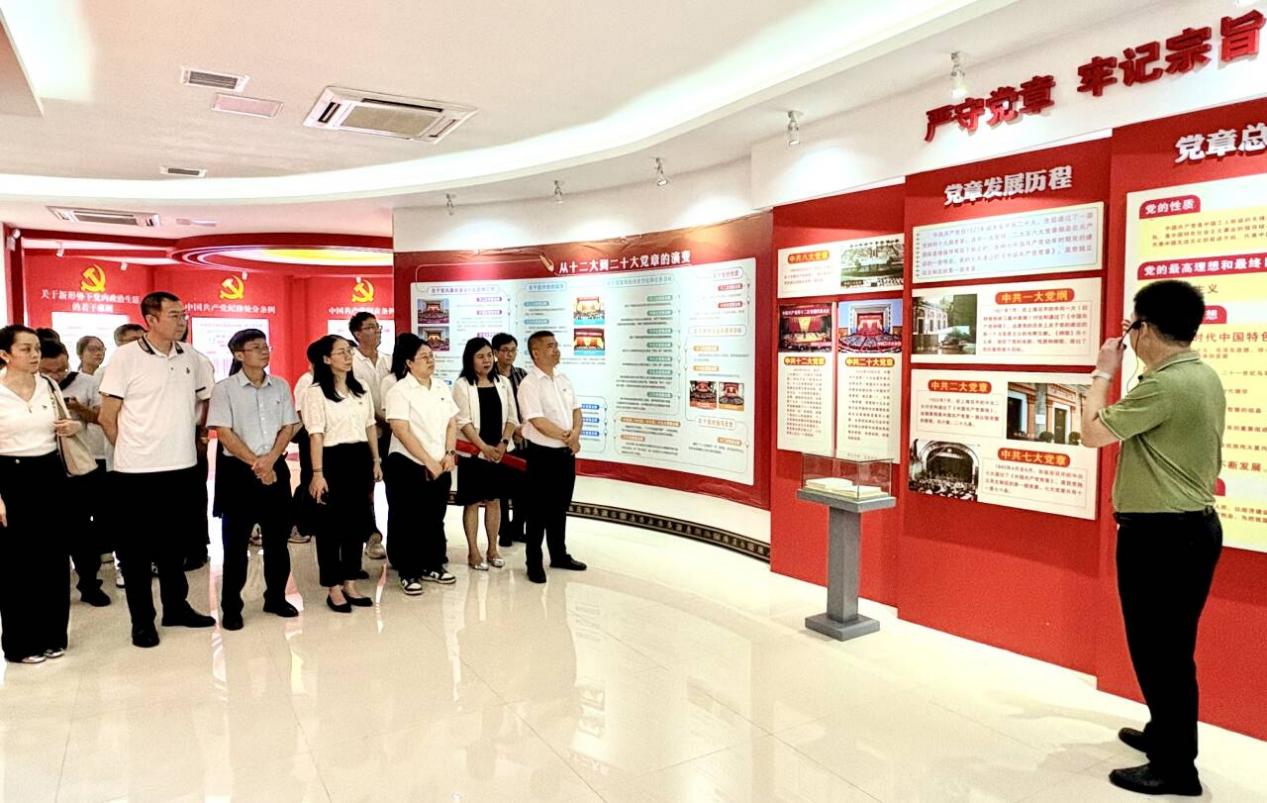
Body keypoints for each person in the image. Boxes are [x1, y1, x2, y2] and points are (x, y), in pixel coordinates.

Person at [1080, 280, 1224, 797]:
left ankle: (1176, 768)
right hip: (1186, 532)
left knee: (1161, 652)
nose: (1128, 336)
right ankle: (1165, 734)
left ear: (1146, 329)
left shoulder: (1164, 386)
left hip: (1163, 537)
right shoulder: (1199, 375)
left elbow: (1091, 432)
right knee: (1169, 647)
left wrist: (1102, 372)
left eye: (1131, 326)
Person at [99, 292, 217, 648]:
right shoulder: (126, 357)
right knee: (135, 552)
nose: (182, 321)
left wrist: (196, 438)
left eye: (183, 314)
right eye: (174, 315)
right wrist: (133, 451)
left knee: (174, 548)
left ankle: (176, 607)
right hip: (135, 474)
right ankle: (142, 621)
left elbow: (204, 401)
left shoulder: (191, 356)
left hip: (181, 468)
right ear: (151, 320)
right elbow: (107, 416)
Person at [207, 329, 300, 630]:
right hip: (238, 473)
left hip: (275, 468)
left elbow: (288, 427)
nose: (264, 351)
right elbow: (224, 433)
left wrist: (271, 459)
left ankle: (276, 598)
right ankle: (231, 606)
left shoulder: (280, 386)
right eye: (256, 347)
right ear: (239, 354)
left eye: (265, 346)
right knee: (235, 546)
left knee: (277, 541)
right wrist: (257, 464)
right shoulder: (224, 389)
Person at [0, 325, 81, 664]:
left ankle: (53, 636)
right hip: (10, 475)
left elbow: (67, 423)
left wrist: (72, 426)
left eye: (36, 348)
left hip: (49, 472)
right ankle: (21, 643)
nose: (34, 355)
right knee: (17, 564)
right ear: (5, 354)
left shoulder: (48, 384)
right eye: (25, 349)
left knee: (53, 558)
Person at [301, 335, 381, 613]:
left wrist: (376, 460)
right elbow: (315, 434)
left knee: (356, 523)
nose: (347, 357)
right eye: (341, 352)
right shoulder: (315, 392)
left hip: (359, 457)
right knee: (330, 527)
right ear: (326, 359)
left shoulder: (361, 388)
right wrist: (317, 473)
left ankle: (350, 581)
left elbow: (370, 425)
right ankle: (333, 586)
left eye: (349, 352)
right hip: (331, 459)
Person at [383, 334, 458, 594]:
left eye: (431, 356)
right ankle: (409, 571)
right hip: (407, 463)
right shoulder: (399, 391)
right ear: (409, 363)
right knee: (408, 519)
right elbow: (401, 429)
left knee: (434, 518)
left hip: (441, 462)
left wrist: (449, 453)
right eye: (424, 357)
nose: (430, 360)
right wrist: (427, 461)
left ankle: (434, 564)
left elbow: (452, 423)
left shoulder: (440, 387)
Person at [38, 339, 110, 607]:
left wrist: (78, 413)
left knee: (82, 530)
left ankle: (89, 584)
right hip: (41, 468)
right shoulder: (29, 388)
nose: (57, 376)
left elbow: (100, 418)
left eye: (61, 369)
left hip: (80, 465)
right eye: (49, 371)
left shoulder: (87, 383)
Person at [515, 331, 587, 583]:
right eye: (549, 346)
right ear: (535, 353)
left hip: (565, 454)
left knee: (559, 507)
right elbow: (537, 421)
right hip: (542, 455)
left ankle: (559, 554)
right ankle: (533, 562)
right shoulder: (529, 384)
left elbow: (577, 411)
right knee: (538, 511)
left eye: (556, 345)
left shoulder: (563, 379)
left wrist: (575, 434)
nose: (556, 350)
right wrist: (568, 437)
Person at [453, 337, 518, 571]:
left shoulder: (503, 383)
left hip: (498, 453)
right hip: (474, 454)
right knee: (472, 502)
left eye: (489, 355)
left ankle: (493, 549)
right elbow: (463, 422)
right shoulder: (462, 385)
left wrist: (502, 444)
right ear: (470, 359)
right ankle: (473, 551)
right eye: (480, 356)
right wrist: (484, 448)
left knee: (494, 501)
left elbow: (512, 418)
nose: (487, 360)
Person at [102, 323, 145, 589]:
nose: (137, 344)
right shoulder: (107, 373)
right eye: (130, 340)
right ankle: (124, 567)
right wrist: (126, 448)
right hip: (120, 460)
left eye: (141, 339)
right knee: (125, 521)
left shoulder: (152, 369)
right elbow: (105, 418)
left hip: (150, 462)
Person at [349, 312, 390, 562]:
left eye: (377, 326)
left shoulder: (388, 360)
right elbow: (358, 400)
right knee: (365, 489)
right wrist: (383, 418)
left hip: (392, 434)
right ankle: (371, 537)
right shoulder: (351, 362)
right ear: (357, 333)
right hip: (364, 435)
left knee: (395, 486)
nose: (376, 331)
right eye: (370, 327)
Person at [491, 332, 528, 547]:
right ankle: (503, 531)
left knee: (524, 489)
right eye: (505, 350)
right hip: (502, 441)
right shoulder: (490, 376)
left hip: (524, 439)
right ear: (496, 352)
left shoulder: (522, 375)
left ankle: (518, 528)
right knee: (502, 490)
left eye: (513, 350)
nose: (509, 354)